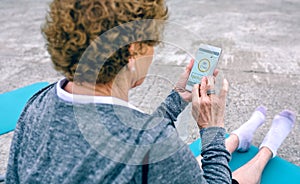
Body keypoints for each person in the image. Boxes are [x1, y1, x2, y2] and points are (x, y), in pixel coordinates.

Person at [5, 0, 296, 184]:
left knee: (187, 163)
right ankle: (266, 150)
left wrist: (174, 102)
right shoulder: (156, 147)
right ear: (134, 50)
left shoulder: (38, 103)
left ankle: (238, 138)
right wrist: (211, 128)